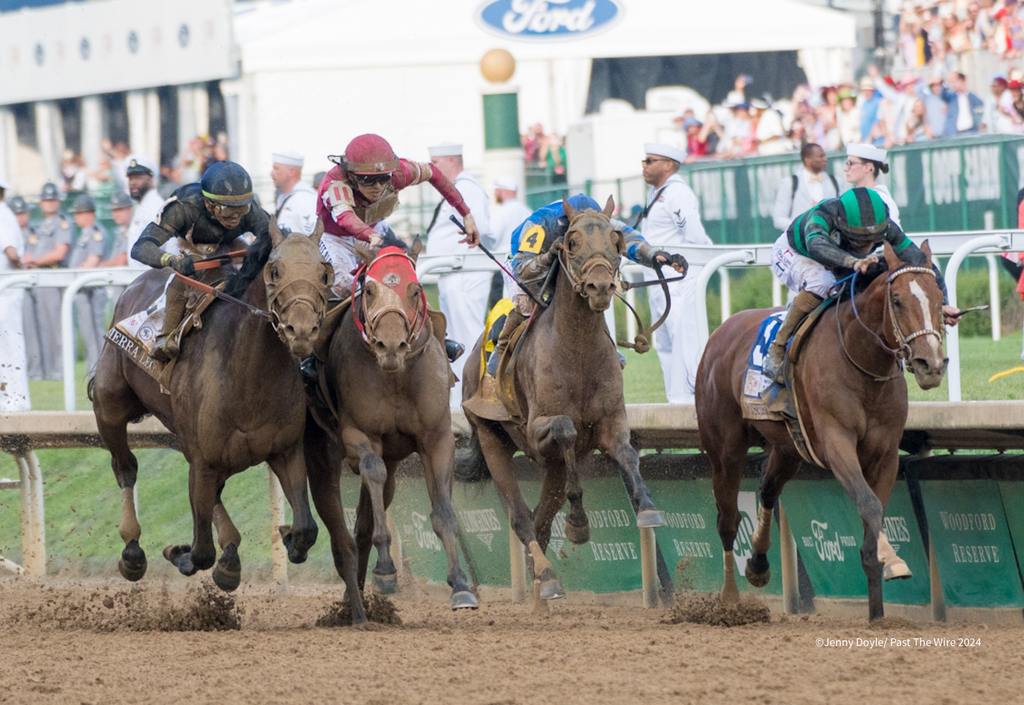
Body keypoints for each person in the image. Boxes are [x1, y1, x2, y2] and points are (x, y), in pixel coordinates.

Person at [464, 193, 687, 419]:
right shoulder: (543, 224)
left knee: (592, 302)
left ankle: (607, 354)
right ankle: (498, 362)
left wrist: (655, 255)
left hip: (573, 265)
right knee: (527, 306)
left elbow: (628, 239)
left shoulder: (598, 221)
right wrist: (549, 256)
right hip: (527, 263)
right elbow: (523, 270)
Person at [765, 187, 960, 383]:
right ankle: (778, 347)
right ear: (842, 223)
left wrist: (943, 303)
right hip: (797, 252)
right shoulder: (823, 215)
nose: (866, 246)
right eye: (859, 239)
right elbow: (817, 247)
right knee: (823, 283)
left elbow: (921, 264)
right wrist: (853, 262)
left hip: (842, 256)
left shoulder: (886, 227)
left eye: (871, 239)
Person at [131, 161, 273, 361]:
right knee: (185, 276)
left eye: (241, 209)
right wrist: (171, 260)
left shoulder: (248, 210)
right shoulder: (183, 207)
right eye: (227, 210)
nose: (235, 217)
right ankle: (166, 338)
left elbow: (274, 237)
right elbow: (140, 248)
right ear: (209, 203)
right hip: (186, 248)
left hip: (227, 246)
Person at [635, 143, 710, 403]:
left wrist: (706, 260)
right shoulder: (657, 194)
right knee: (665, 344)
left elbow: (694, 235)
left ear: (669, 164)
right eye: (645, 161)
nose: (644, 165)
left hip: (675, 279)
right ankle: (674, 400)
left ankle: (692, 398)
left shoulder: (677, 194)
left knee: (683, 338)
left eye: (650, 160)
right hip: (657, 279)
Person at [421, 142, 493, 405]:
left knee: (467, 336)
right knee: (458, 337)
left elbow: (479, 226)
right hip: (454, 272)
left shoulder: (466, 188)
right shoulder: (459, 188)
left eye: (436, 164)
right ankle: (463, 399)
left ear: (452, 160)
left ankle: (475, 399)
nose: (433, 171)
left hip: (464, 271)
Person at [21, 182, 71, 380]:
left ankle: (61, 370)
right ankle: (48, 370)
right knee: (43, 328)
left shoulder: (62, 222)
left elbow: (60, 252)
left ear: (58, 201)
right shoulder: (41, 225)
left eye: (52, 199)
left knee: (56, 328)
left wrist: (34, 260)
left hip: (52, 277)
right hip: (39, 279)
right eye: (46, 200)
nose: (49, 203)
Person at [65, 194, 109, 370]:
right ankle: (94, 366)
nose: (76, 217)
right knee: (87, 330)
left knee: (94, 329)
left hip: (91, 289)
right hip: (83, 289)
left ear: (88, 214)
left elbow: (93, 260)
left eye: (79, 213)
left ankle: (99, 366)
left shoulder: (95, 232)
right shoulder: (85, 233)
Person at [0, 182, 30, 410]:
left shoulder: (3, 213)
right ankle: (7, 398)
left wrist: (21, 267)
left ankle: (16, 400)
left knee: (11, 346)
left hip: (7, 291)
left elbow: (10, 251)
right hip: (4, 290)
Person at [771, 143, 840, 232]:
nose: (825, 159)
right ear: (807, 160)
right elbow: (778, 219)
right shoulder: (790, 183)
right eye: (820, 156)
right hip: (799, 241)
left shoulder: (836, 181)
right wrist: (803, 227)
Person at [490, 178, 533, 309]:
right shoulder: (528, 211)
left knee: (500, 307)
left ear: (502, 191)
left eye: (497, 191)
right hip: (525, 264)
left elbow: (492, 238)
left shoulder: (501, 212)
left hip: (503, 264)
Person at [843, 143, 900, 229]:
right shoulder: (851, 198)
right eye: (847, 163)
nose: (846, 168)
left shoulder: (882, 199)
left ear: (868, 168)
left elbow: (895, 237)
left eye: (850, 163)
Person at [124, 156, 165, 268]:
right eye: (130, 178)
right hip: (140, 278)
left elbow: (164, 248)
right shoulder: (142, 206)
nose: (132, 182)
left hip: (152, 278)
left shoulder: (155, 206)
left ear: (151, 178)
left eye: (138, 178)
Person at [270, 150, 317, 235]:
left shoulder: (306, 199)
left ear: (292, 172)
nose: (271, 173)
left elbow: (313, 237)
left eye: (276, 168)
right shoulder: (285, 197)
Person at [99, 191, 135, 267]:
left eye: (120, 210)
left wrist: (102, 266)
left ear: (129, 209)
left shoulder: (135, 229)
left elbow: (121, 261)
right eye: (114, 210)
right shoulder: (121, 231)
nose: (116, 214)